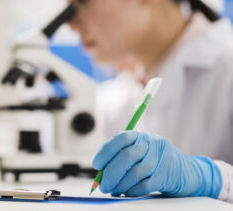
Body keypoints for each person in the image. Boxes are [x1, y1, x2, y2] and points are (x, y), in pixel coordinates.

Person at [68, 0, 233, 203]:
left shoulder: (227, 67)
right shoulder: (117, 98)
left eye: (82, 2)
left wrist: (212, 179)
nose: (71, 23)